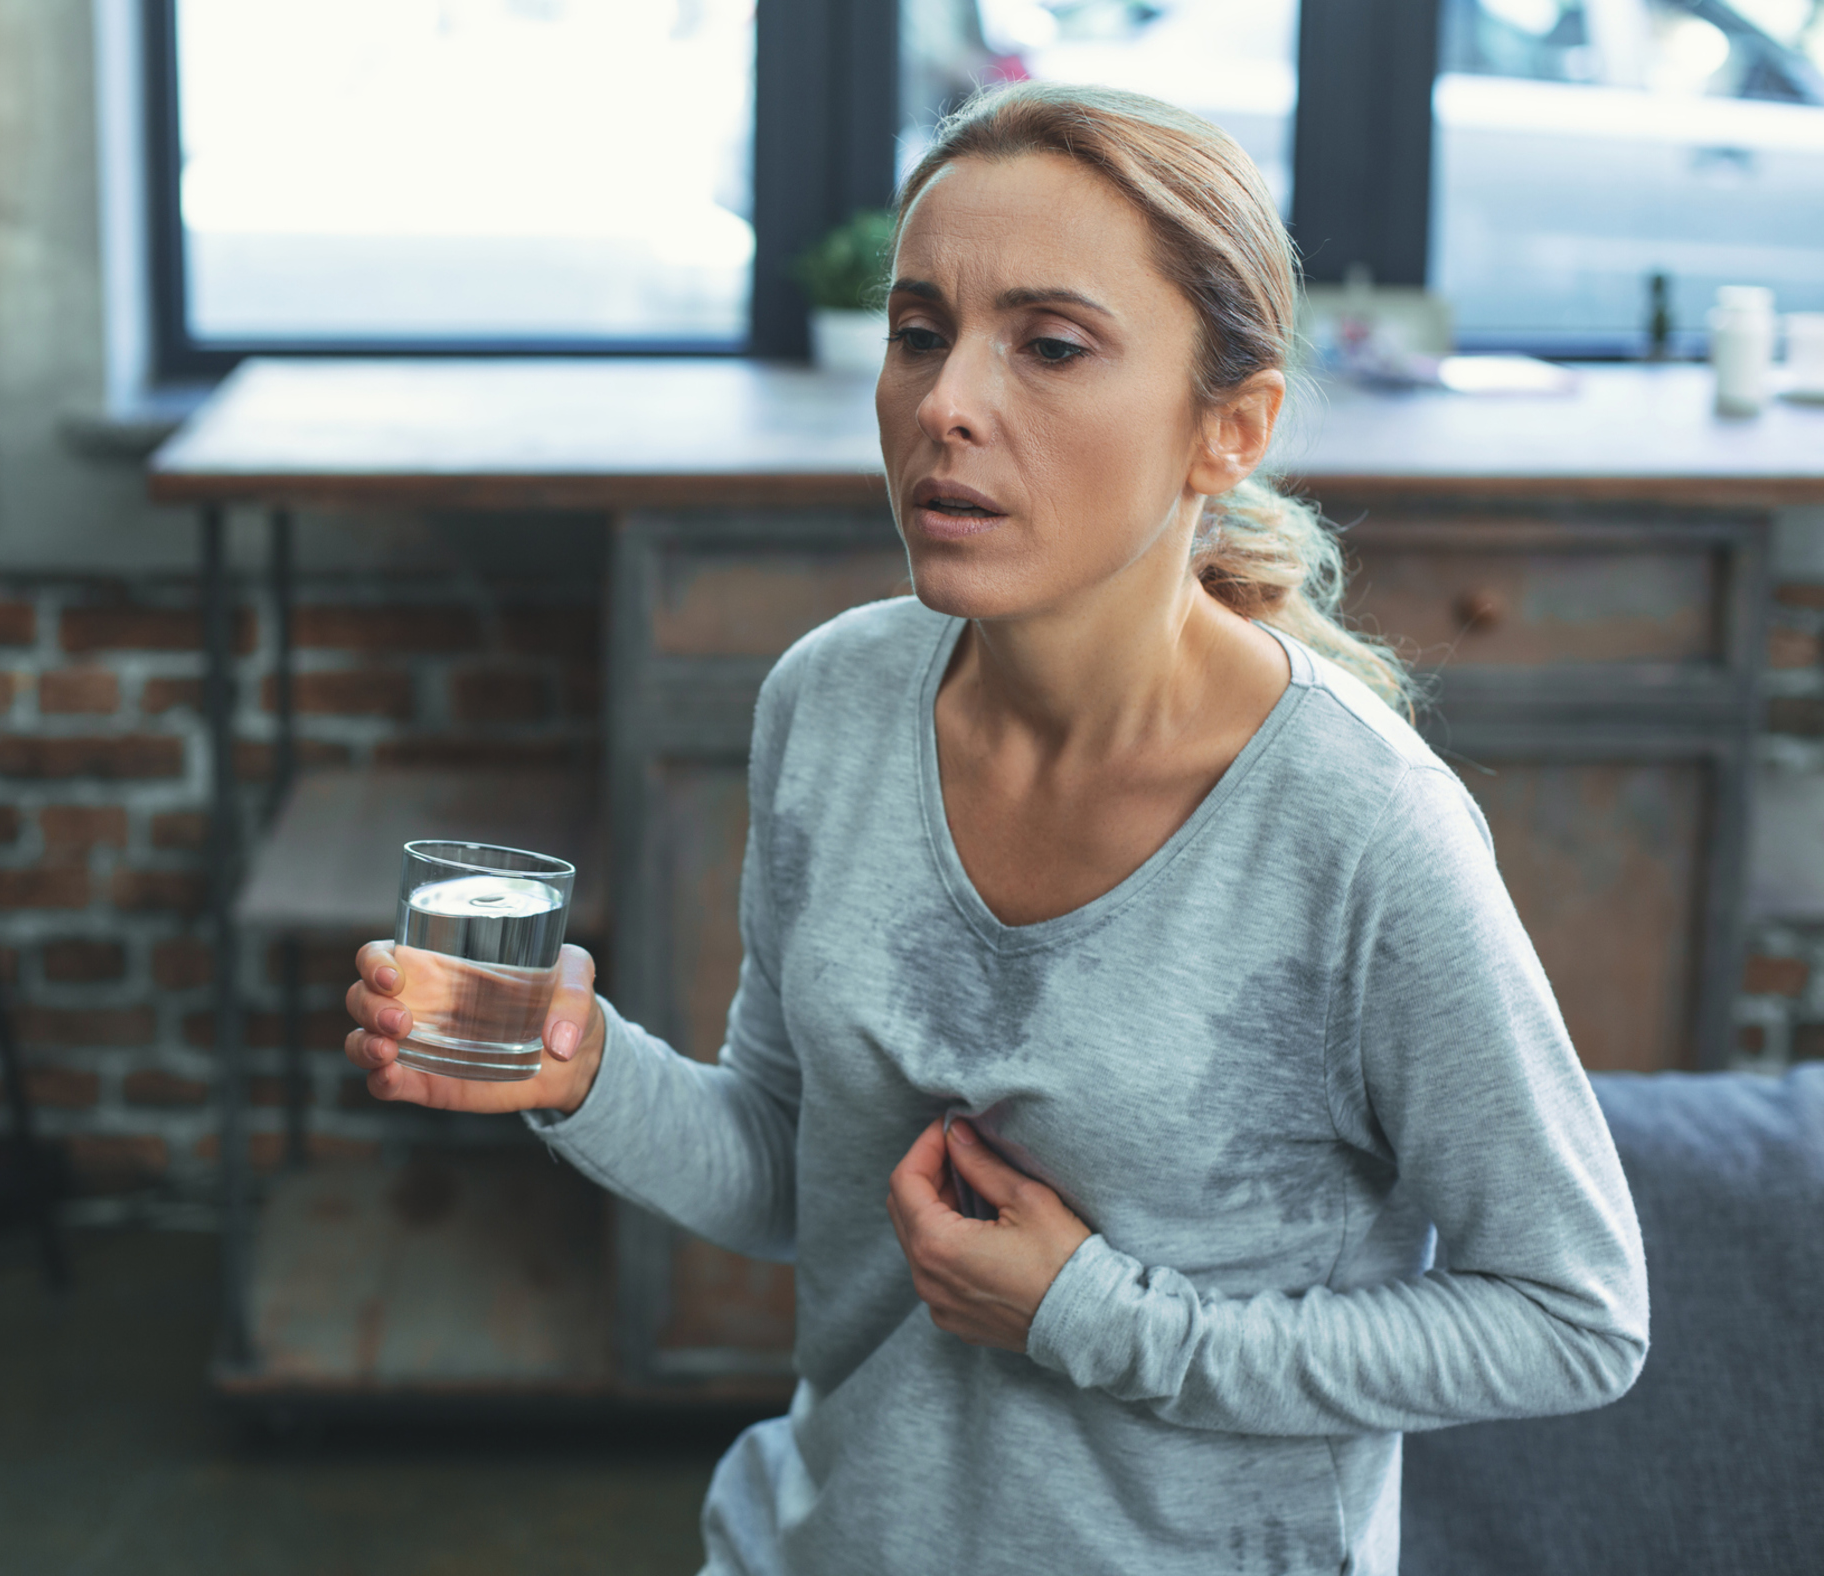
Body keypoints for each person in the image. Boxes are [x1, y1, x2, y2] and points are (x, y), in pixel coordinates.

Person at [342, 81, 1648, 1576]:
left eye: (1050, 345)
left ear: (1229, 429)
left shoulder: (1363, 832)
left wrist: (1095, 1317)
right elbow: (792, 1169)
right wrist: (581, 1072)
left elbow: (1575, 1319)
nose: (946, 403)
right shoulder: (829, 701)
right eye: (918, 333)